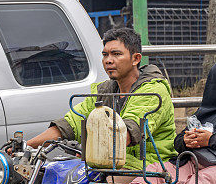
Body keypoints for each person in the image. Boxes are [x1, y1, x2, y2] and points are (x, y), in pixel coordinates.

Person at [26, 27, 176, 171]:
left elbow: (128, 132)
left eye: (116, 54)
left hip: (148, 167)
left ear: (135, 59)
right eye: (105, 55)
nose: (108, 60)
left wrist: (90, 150)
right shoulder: (105, 91)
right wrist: (26, 146)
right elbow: (72, 122)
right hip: (109, 165)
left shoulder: (152, 91)